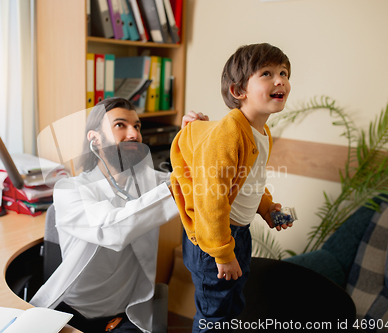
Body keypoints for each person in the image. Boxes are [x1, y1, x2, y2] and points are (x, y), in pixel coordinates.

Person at [30, 97, 207, 333]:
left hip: (123, 316)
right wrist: (176, 187)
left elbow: (194, 182)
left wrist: (196, 141)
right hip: (71, 314)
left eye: (137, 126)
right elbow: (112, 229)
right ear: (94, 138)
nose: (133, 134)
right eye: (120, 125)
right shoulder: (70, 190)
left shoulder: (148, 180)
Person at [170, 43, 294, 332]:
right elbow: (209, 199)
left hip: (237, 233)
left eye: (284, 73)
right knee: (215, 315)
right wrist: (223, 254)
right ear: (239, 91)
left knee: (232, 306)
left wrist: (266, 209)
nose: (280, 80)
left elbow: (251, 180)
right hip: (214, 240)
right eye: (267, 73)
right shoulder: (230, 134)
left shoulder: (261, 132)